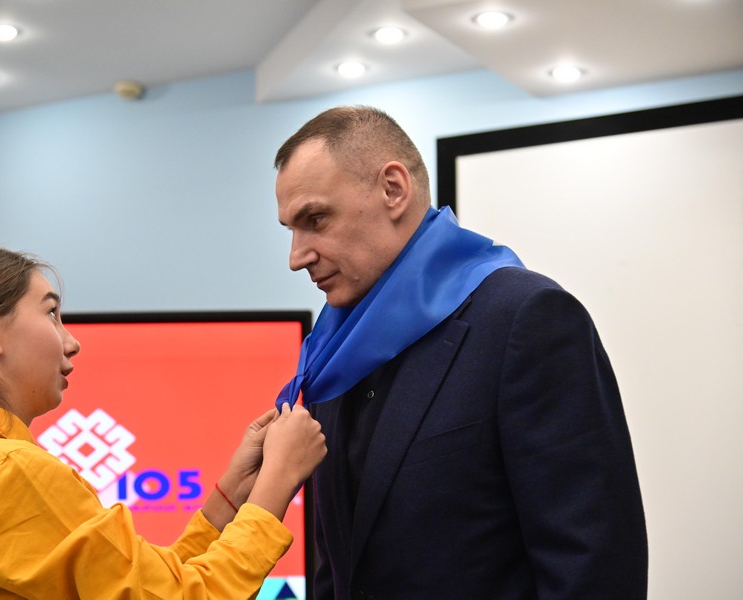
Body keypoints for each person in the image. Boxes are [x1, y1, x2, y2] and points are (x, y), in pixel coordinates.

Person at [273, 106, 647, 599]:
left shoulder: (526, 318)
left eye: (316, 219)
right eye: (291, 229)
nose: (296, 257)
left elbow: (594, 564)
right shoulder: (333, 352)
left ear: (393, 189)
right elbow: (338, 569)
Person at [0, 243, 326, 600]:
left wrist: (233, 496)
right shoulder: (11, 473)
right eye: (51, 313)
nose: (71, 342)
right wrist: (277, 484)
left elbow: (145, 587)